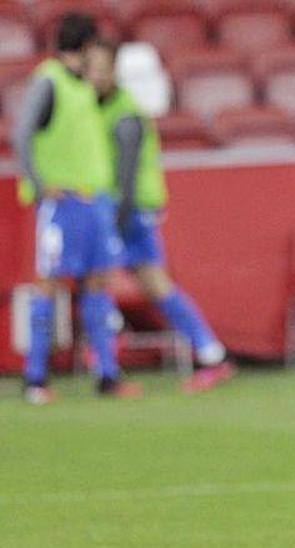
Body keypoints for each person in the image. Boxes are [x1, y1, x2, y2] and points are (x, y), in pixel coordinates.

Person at [85, 38, 236, 393]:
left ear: (113, 73)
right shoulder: (102, 109)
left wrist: (115, 219)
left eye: (102, 69)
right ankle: (210, 353)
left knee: (107, 282)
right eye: (92, 69)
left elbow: (124, 173)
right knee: (148, 284)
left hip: (130, 210)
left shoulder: (125, 115)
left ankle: (109, 353)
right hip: (124, 208)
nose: (96, 76)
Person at [13, 13, 141, 404]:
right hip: (62, 201)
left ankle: (106, 372)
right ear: (84, 47)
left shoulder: (84, 85)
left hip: (94, 199)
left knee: (99, 284)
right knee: (49, 284)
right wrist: (38, 184)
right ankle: (35, 377)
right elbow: (21, 134)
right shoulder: (48, 81)